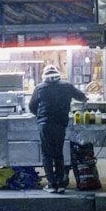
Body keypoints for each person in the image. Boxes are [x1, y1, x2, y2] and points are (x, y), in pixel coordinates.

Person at [28, 65, 87, 194]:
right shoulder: (66, 86)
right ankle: (60, 184)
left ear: (44, 76)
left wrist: (40, 115)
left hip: (45, 124)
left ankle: (51, 184)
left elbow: (31, 106)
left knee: (47, 154)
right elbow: (82, 96)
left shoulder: (40, 88)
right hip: (60, 123)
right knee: (58, 153)